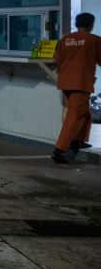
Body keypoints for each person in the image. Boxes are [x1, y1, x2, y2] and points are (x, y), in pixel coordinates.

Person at [52, 12, 101, 164]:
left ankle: (79, 141)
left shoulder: (65, 39)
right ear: (91, 25)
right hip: (81, 83)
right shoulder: (94, 40)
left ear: (77, 23)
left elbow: (57, 59)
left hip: (66, 82)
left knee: (85, 114)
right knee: (73, 116)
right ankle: (59, 150)